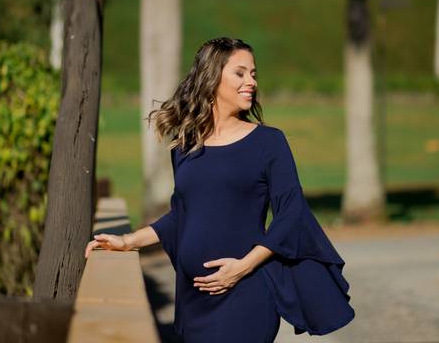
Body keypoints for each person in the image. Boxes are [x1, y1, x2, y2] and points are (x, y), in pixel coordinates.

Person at [84, 37, 355, 342]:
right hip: (193, 301)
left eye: (253, 74)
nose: (251, 82)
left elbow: (291, 215)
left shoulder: (269, 143)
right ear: (212, 77)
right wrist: (127, 240)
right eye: (240, 73)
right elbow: (183, 215)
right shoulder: (185, 147)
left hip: (246, 293)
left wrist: (242, 267)